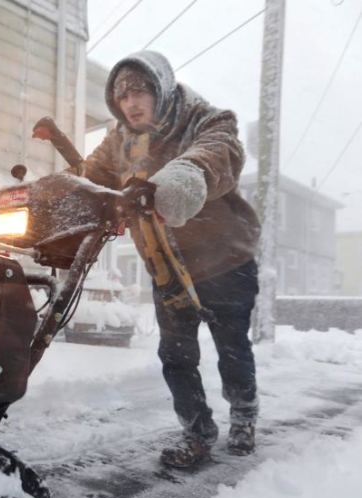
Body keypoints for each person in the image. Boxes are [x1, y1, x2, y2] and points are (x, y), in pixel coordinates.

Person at [82, 51, 261, 468]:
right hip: (167, 262)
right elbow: (92, 178)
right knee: (176, 355)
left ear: (160, 88)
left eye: (139, 90)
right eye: (121, 94)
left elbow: (219, 153)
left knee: (231, 346)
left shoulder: (205, 118)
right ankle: (197, 432)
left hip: (224, 259)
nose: (131, 102)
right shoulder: (120, 139)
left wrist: (184, 175)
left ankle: (244, 416)